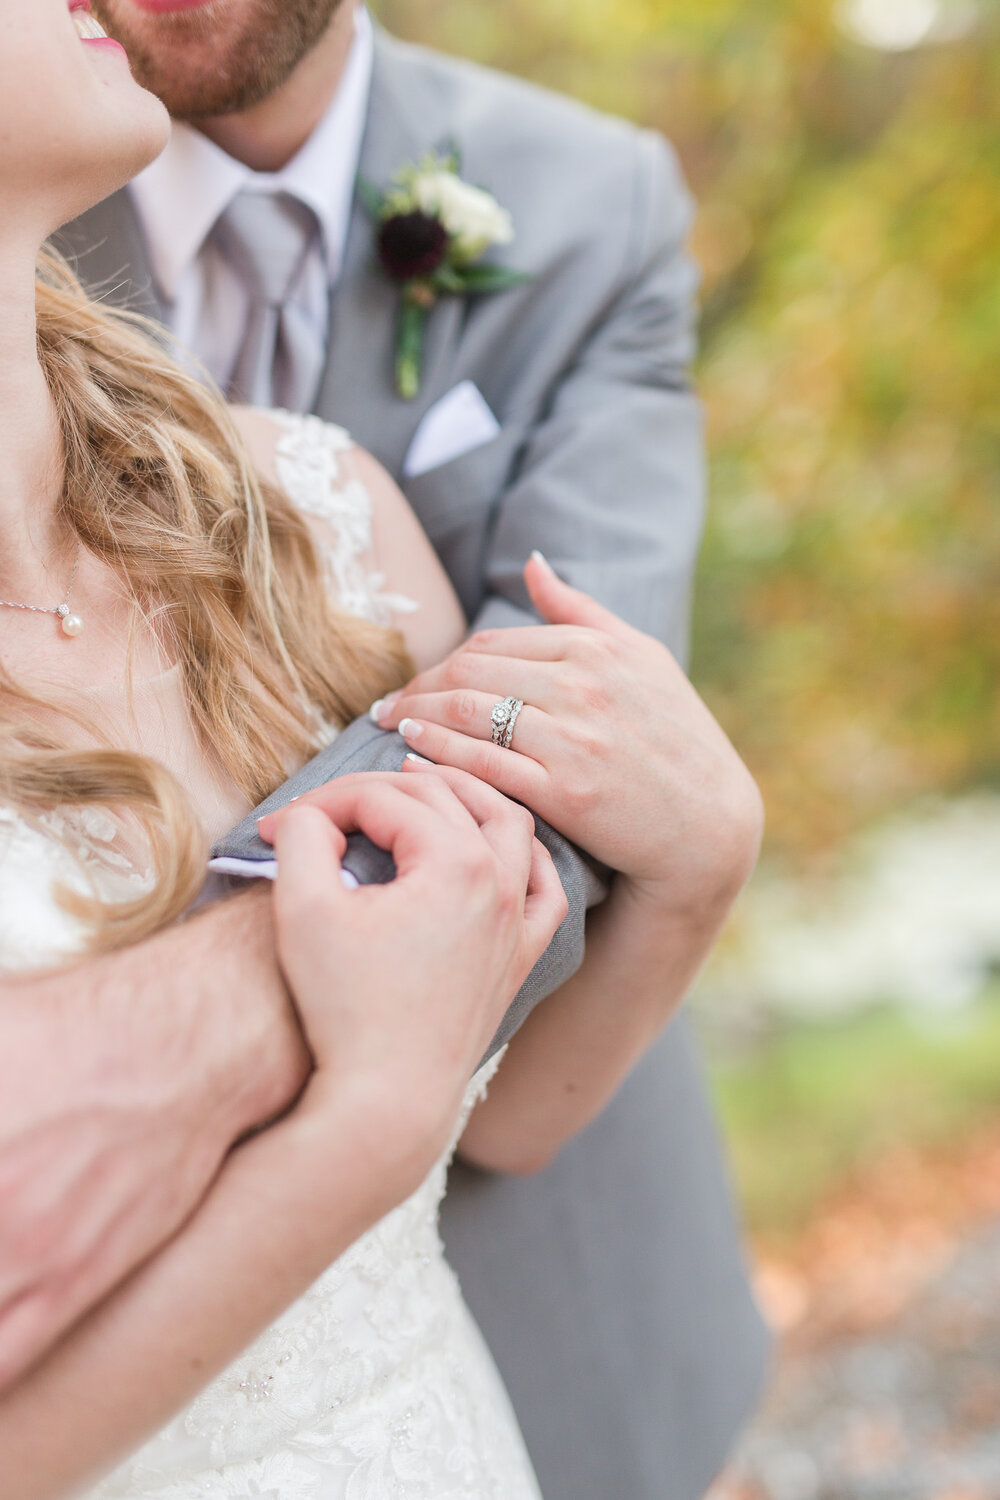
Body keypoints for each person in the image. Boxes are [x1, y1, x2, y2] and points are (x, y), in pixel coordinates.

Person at [0, 2, 764, 1496]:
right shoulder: (74, 152)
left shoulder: (322, 494)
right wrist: (356, 1096)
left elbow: (582, 736)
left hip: (489, 1320)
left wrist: (701, 851)